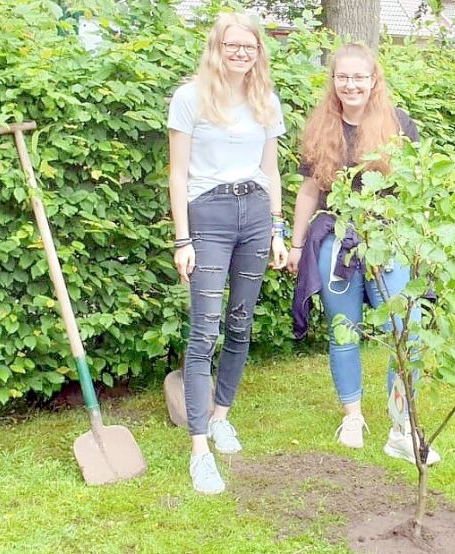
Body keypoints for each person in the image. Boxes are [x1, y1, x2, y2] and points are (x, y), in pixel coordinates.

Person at [287, 43, 440, 465]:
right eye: (343, 77)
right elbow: (309, 191)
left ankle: (401, 425)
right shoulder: (321, 127)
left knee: (405, 331)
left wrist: (419, 242)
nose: (351, 84)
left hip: (389, 240)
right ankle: (352, 416)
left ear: (374, 80)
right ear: (333, 81)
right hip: (335, 240)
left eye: (359, 76)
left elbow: (415, 188)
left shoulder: (399, 124)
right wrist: (297, 246)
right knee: (344, 329)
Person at [167, 13, 288, 494]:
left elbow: (272, 171)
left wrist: (278, 230)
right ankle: (200, 451)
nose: (241, 53)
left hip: (256, 214)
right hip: (209, 216)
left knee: (240, 323)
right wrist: (182, 239)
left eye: (250, 46)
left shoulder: (266, 100)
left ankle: (221, 416)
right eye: (232, 45)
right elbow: (177, 174)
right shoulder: (190, 97)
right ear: (217, 47)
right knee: (205, 331)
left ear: (259, 52)